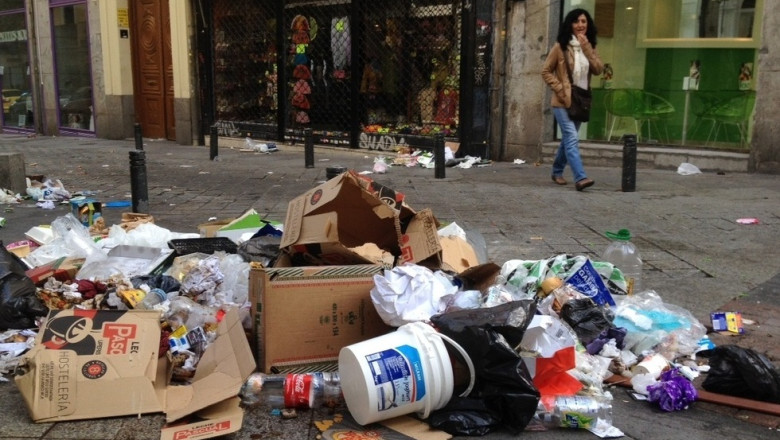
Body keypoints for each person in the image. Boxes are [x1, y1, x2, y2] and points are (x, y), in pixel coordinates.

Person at [542, 8, 603, 191]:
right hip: (562, 101)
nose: (580, 25)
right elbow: (545, 71)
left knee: (568, 139)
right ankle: (580, 177)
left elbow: (598, 70)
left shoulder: (590, 46)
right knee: (571, 137)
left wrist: (587, 49)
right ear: (570, 25)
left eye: (583, 21)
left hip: (580, 100)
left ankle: (556, 171)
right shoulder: (560, 47)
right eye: (576, 21)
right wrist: (560, 89)